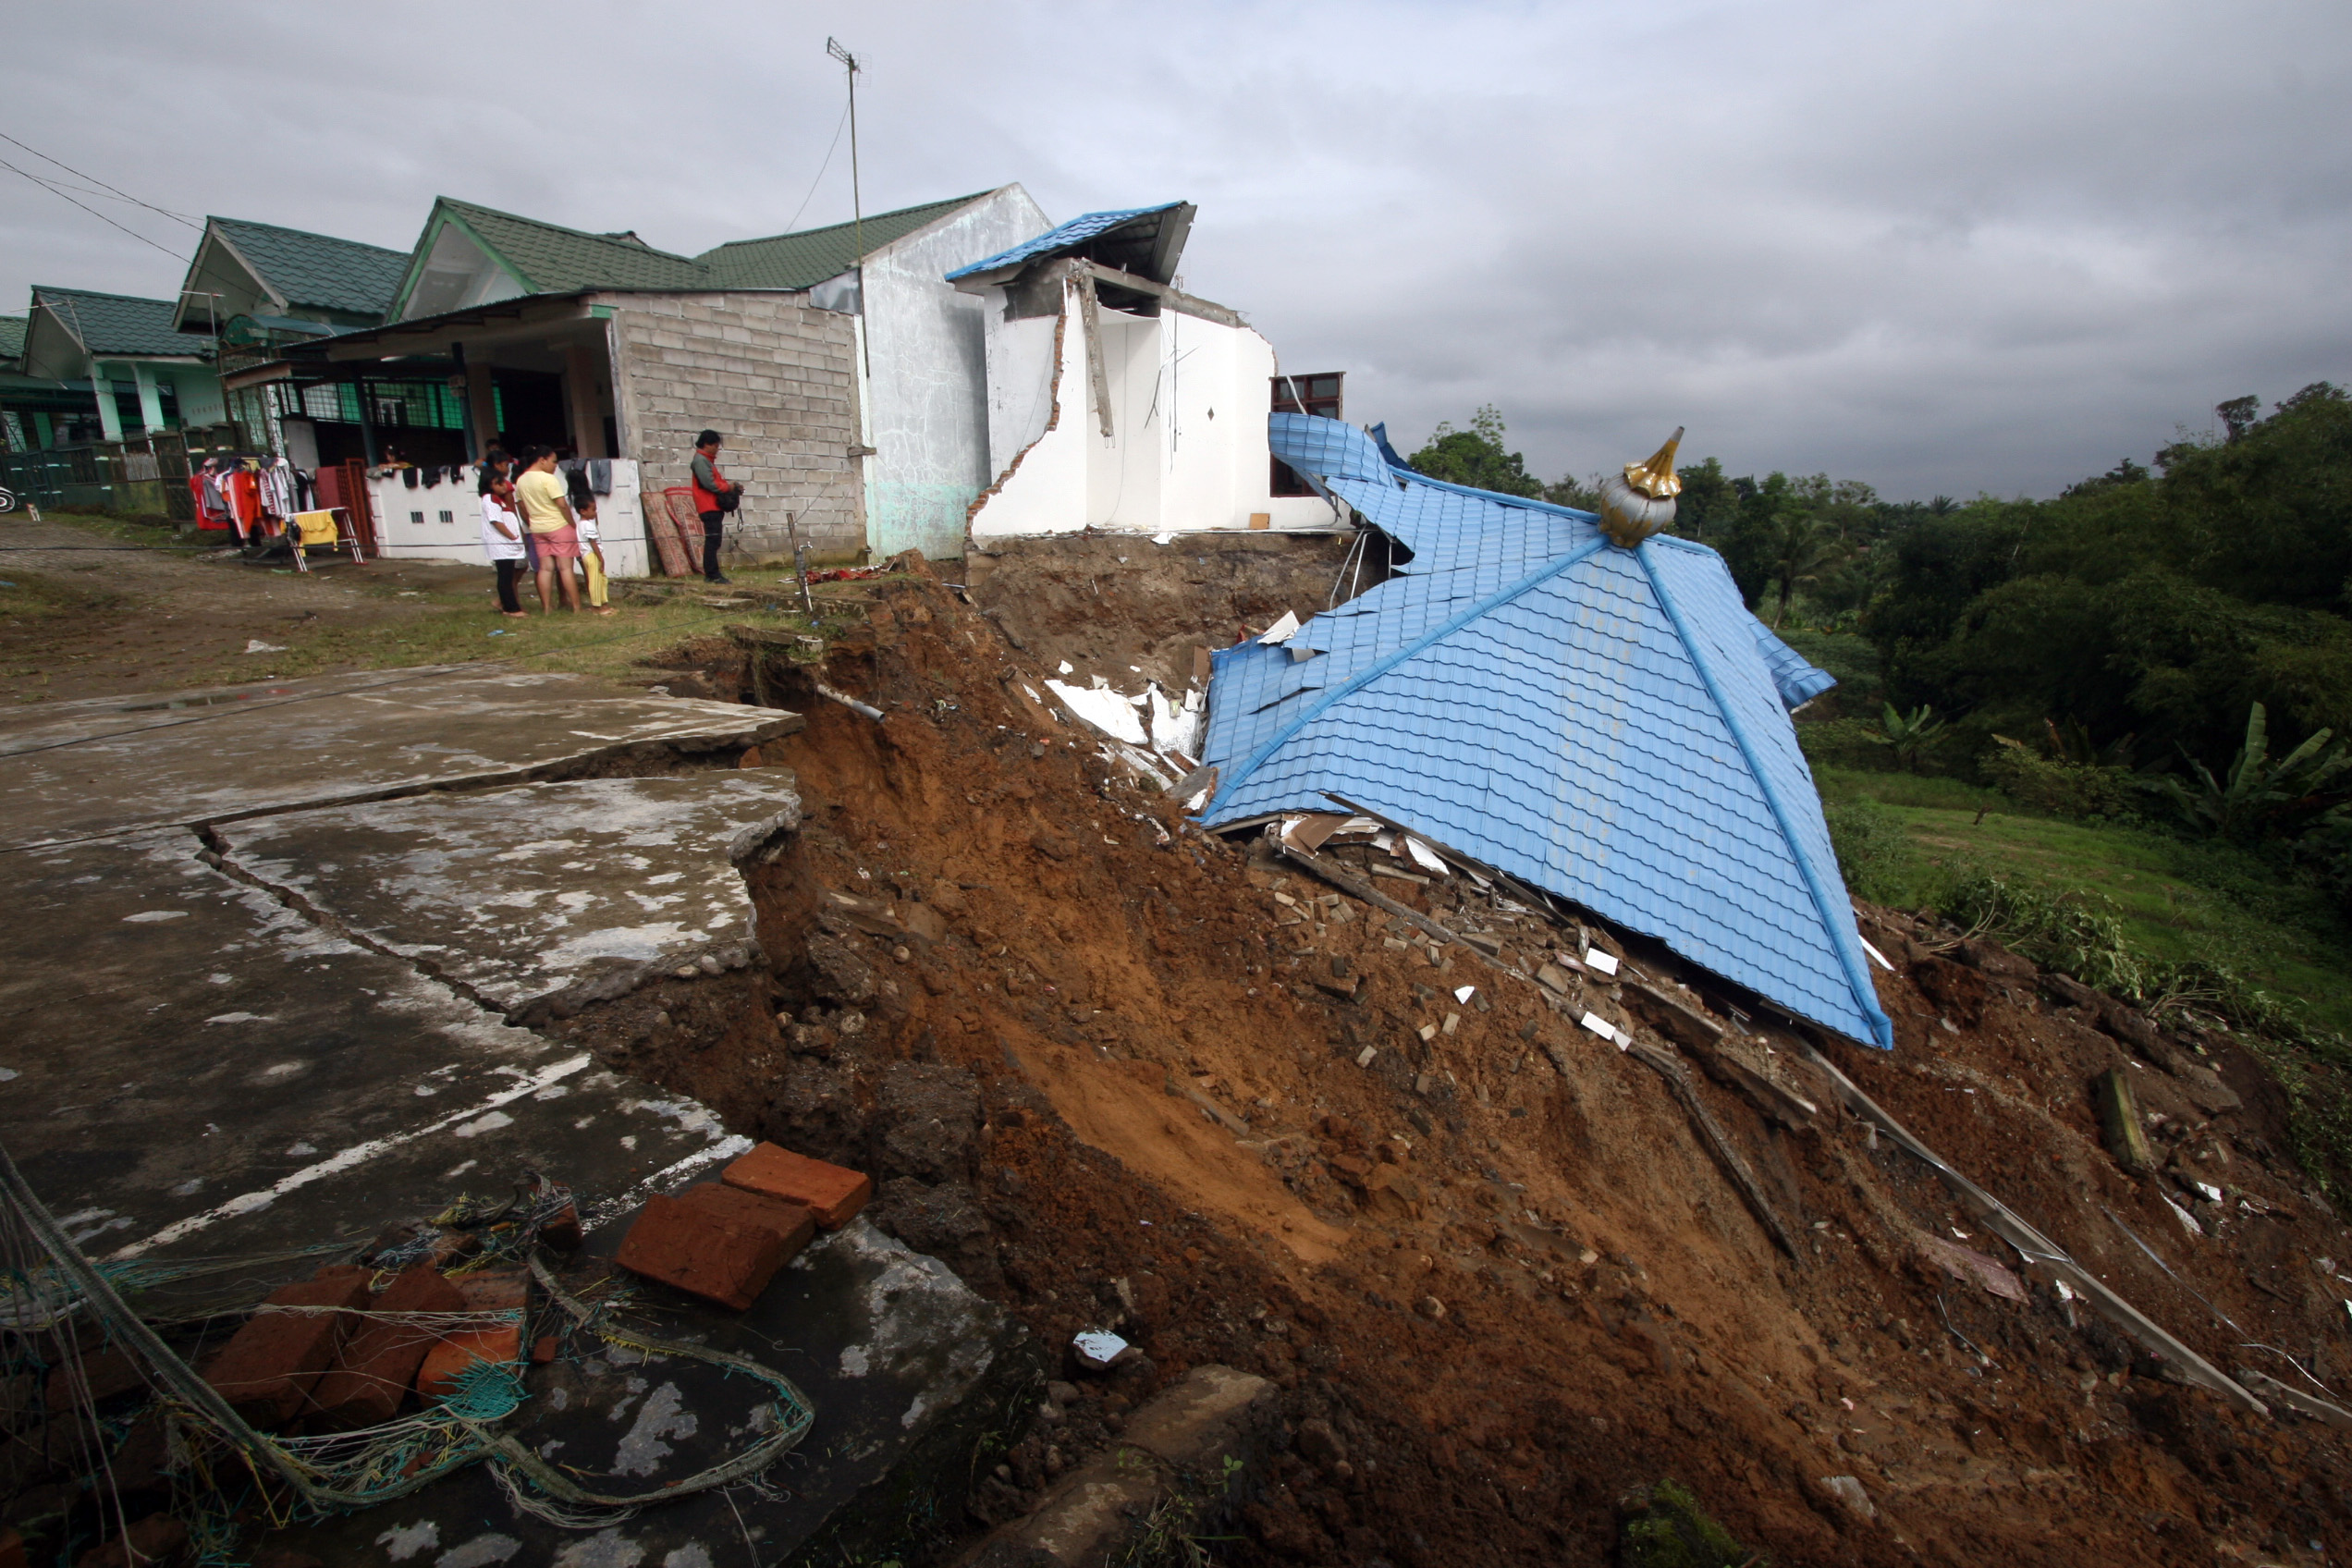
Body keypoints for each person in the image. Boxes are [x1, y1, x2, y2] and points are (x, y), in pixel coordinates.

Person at [515, 446, 582, 613]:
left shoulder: (521, 480)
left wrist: (532, 521)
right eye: (553, 462)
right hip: (558, 526)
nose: (555, 466)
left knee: (545, 569)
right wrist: (573, 525)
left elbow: (521, 506)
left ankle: (546, 607)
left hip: (537, 528)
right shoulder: (548, 479)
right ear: (542, 460)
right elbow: (562, 505)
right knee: (566, 568)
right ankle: (576, 607)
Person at [689, 429, 741, 584]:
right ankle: (712, 574)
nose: (717, 449)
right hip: (708, 505)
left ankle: (712, 573)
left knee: (714, 540)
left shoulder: (706, 461)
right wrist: (728, 488)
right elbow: (709, 483)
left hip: (713, 506)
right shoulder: (700, 461)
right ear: (707, 444)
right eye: (716, 445)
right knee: (712, 540)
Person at [566, 466, 617, 616]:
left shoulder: (571, 501)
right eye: (593, 510)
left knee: (597, 577)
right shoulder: (587, 505)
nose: (595, 512)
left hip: (583, 543)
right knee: (594, 578)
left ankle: (601, 602)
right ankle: (597, 605)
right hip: (590, 548)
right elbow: (593, 538)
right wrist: (601, 557)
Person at [479, 470, 529, 617]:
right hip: (502, 544)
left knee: (507, 575)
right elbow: (496, 521)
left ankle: (507, 604)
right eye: (498, 483)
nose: (503, 486)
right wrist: (512, 536)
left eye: (503, 482)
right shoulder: (490, 499)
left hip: (507, 544)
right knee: (505, 576)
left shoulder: (497, 499)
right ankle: (510, 608)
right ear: (489, 485)